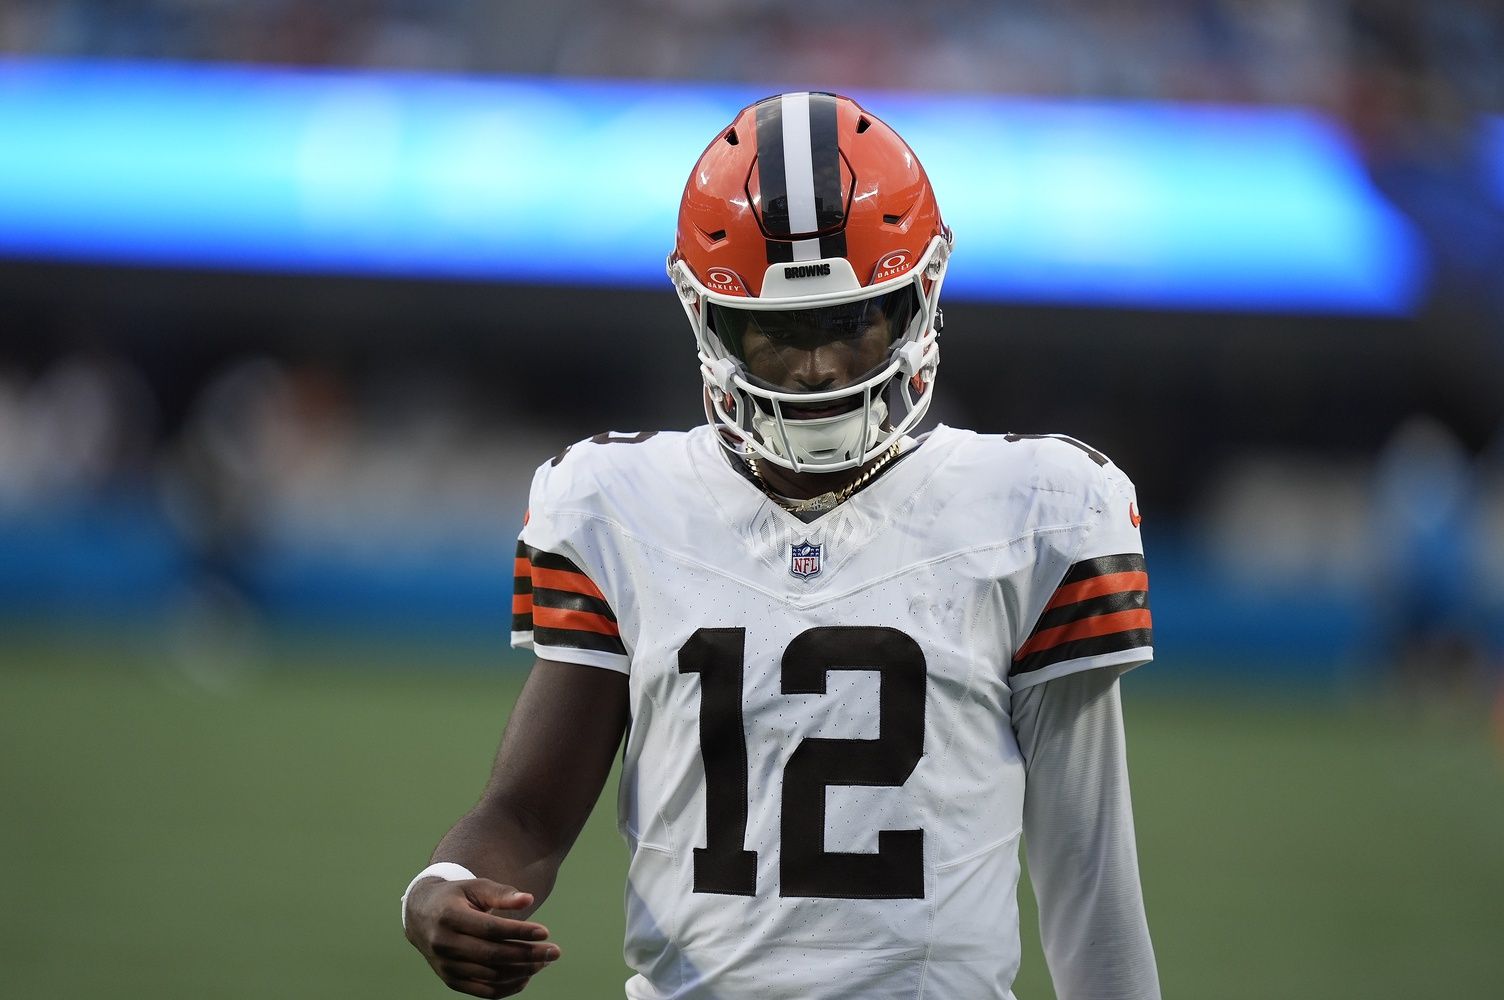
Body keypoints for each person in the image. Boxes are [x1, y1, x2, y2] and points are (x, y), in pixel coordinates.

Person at [402, 91, 1162, 1000]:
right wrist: (439, 890)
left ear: (916, 297)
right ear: (709, 318)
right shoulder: (618, 507)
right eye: (779, 329)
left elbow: (1089, 873)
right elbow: (525, 816)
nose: (817, 366)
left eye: (848, 320)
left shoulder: (1038, 515)